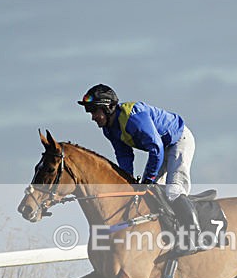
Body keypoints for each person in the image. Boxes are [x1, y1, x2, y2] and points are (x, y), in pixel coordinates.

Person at [77, 83, 202, 253]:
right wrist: (127, 181)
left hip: (179, 141)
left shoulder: (133, 119)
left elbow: (156, 148)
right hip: (162, 148)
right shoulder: (109, 130)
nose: (92, 117)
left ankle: (195, 238)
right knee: (151, 194)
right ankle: (170, 234)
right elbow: (124, 156)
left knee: (173, 191)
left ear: (107, 108)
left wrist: (148, 179)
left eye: (94, 111)